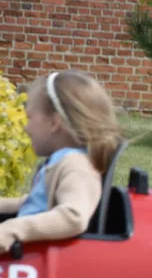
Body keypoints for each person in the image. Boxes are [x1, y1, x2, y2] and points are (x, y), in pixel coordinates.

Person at [0, 71, 122, 252]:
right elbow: (36, 203)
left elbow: (73, 216)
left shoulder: (76, 165)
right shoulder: (65, 160)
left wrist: (13, 229)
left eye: (29, 118)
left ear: (54, 123)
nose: (26, 127)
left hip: (35, 259)